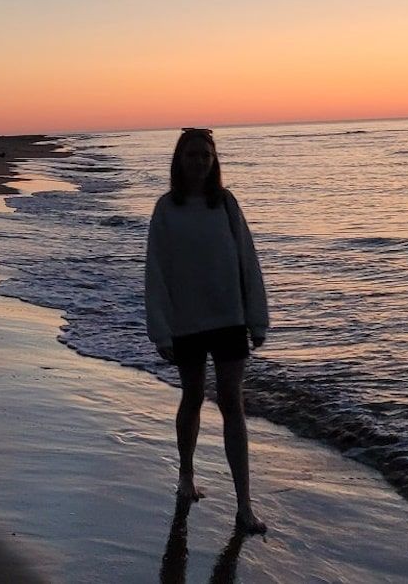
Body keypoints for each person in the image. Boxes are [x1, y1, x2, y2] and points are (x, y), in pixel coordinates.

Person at [144, 127, 270, 534]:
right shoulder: (166, 208)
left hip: (230, 318)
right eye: (192, 155)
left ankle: (244, 505)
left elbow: (248, 261)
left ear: (214, 161)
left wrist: (257, 317)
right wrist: (160, 329)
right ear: (179, 160)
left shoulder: (226, 204)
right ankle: (186, 474)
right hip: (187, 323)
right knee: (193, 396)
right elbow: (155, 272)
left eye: (206, 155)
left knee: (233, 402)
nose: (199, 161)